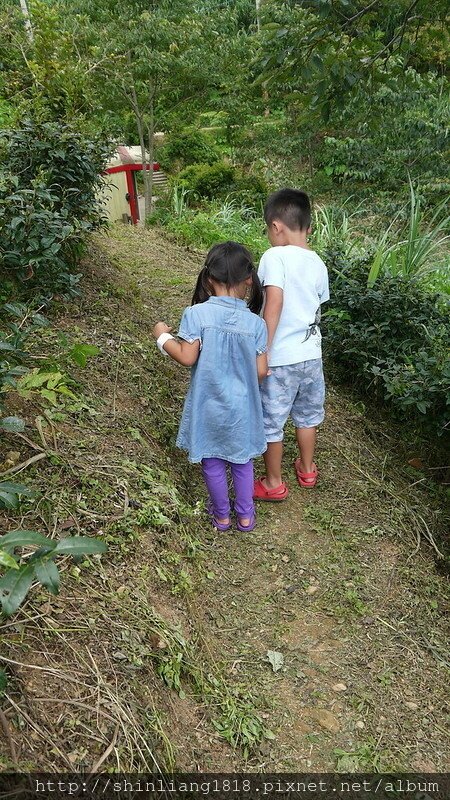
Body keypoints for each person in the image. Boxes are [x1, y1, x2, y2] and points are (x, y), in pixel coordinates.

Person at [153, 241, 268, 532]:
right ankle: (244, 516)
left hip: (208, 405)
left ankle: (221, 516)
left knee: (213, 461)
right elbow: (262, 371)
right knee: (242, 462)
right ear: (248, 280)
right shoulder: (256, 324)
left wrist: (161, 337)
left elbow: (186, 357)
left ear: (208, 278)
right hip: (242, 407)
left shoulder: (196, 315)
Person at [253, 188, 330, 501]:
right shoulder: (318, 263)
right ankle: (308, 469)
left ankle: (273, 482)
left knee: (272, 420)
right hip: (311, 355)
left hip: (281, 357)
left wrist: (263, 349)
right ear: (306, 226)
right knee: (308, 415)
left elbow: (274, 301)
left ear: (276, 226)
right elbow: (316, 310)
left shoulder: (274, 256)